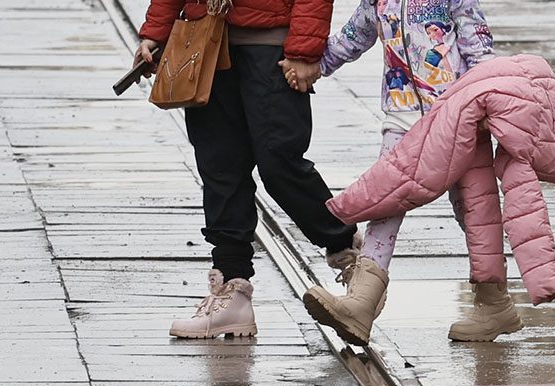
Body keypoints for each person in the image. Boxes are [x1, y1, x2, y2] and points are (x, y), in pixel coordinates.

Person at [132, 0, 359, 339]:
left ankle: (346, 249)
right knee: (220, 168)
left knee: (278, 162)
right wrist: (156, 31)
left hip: (272, 47)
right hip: (206, 40)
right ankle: (231, 289)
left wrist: (303, 50)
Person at [285, 0, 501, 346]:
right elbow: (352, 37)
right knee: (385, 204)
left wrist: (487, 102)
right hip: (401, 120)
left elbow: (478, 45)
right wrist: (314, 66)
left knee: (475, 210)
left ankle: (494, 303)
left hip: (457, 117)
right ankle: (361, 304)